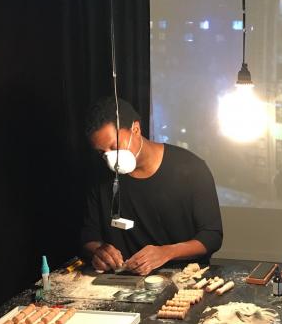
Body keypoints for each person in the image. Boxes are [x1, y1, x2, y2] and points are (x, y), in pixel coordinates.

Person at [81, 96, 223, 275]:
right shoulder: (101, 178)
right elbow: (89, 236)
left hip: (182, 278)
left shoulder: (191, 168)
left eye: (114, 147)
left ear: (136, 129)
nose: (110, 158)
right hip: (124, 279)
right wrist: (99, 251)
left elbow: (212, 236)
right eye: (103, 153)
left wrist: (167, 252)